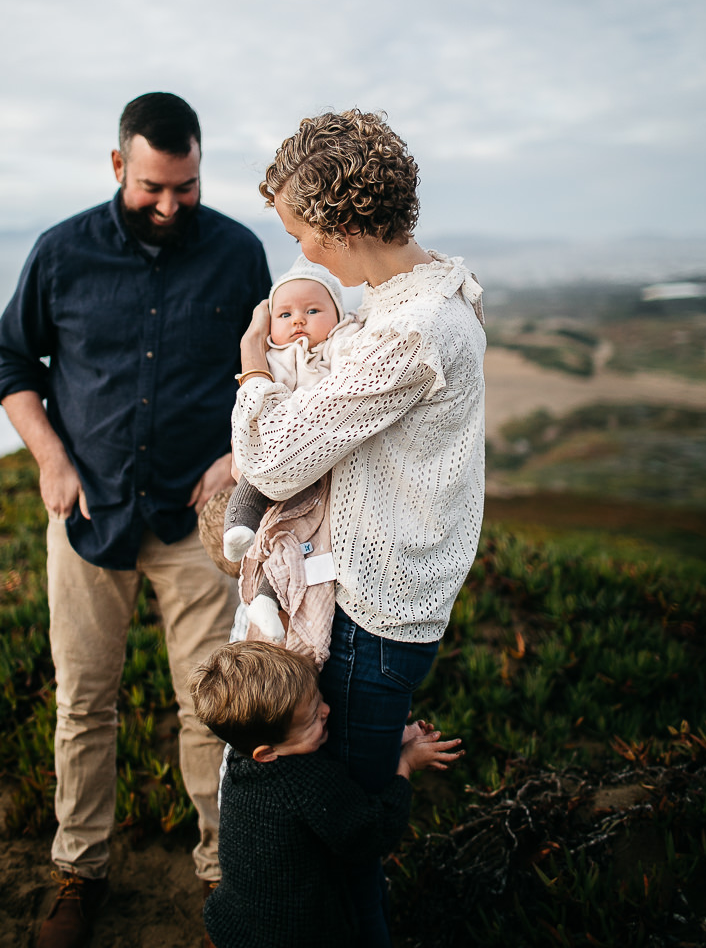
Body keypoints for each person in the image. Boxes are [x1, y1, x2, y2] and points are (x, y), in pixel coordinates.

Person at [0, 92, 271, 948]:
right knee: (84, 703)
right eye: (153, 185)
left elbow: (272, 373)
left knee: (211, 705)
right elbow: (11, 362)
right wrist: (49, 455)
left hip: (196, 526)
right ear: (118, 166)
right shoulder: (61, 252)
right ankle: (80, 874)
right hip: (86, 517)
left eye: (185, 186)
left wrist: (238, 450)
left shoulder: (237, 253)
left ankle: (228, 876)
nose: (170, 204)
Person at [230, 109, 486, 946]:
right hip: (375, 606)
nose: (301, 253)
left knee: (345, 852)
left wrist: (255, 366)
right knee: (336, 840)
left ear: (341, 225)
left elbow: (270, 462)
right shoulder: (418, 296)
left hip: (370, 624)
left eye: (303, 232)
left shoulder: (410, 331)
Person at [190, 641, 463, 948]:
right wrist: (405, 764)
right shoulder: (306, 783)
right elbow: (372, 832)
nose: (326, 710)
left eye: (319, 698)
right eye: (312, 719)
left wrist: (390, 737)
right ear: (266, 753)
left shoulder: (242, 761)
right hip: (296, 936)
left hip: (236, 922)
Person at [223, 257, 360, 661]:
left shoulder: (342, 345)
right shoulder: (271, 357)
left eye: (313, 310)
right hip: (271, 465)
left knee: (296, 542)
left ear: (337, 314)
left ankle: (267, 597)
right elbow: (249, 418)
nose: (298, 320)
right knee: (258, 511)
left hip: (315, 467)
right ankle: (237, 529)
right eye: (285, 314)